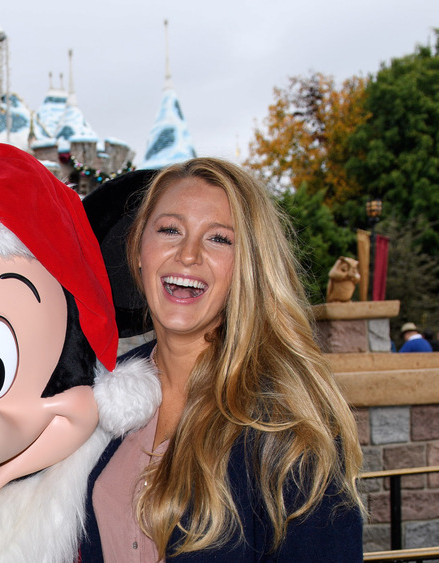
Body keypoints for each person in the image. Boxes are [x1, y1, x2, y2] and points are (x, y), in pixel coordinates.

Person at [79, 158, 364, 562]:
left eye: (219, 239)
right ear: (138, 250)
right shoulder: (103, 397)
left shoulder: (286, 419)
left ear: (247, 266)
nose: (188, 254)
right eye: (170, 230)